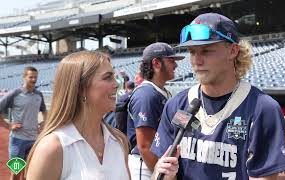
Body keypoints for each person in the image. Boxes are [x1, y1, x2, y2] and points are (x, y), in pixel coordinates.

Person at [151, 13, 285, 180]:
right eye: (192, 52)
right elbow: (160, 172)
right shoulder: (177, 105)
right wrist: (163, 174)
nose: (197, 61)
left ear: (233, 51)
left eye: (206, 51)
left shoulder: (262, 108)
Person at [26, 51, 130, 180]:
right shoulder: (52, 148)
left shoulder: (120, 141)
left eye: (114, 77)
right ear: (81, 88)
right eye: (108, 77)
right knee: (15, 168)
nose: (116, 84)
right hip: (20, 139)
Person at [127, 42, 184, 179]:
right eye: (171, 61)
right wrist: (161, 175)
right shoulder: (146, 95)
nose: (176, 65)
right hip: (146, 166)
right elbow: (145, 146)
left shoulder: (163, 92)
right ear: (156, 63)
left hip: (161, 162)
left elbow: (178, 123)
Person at [0, 66, 47, 180]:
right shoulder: (15, 93)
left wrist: (44, 122)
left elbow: (44, 111)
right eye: (31, 77)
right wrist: (8, 125)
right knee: (16, 173)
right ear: (24, 77)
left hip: (33, 141)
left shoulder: (38, 95)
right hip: (18, 142)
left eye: (35, 77)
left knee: (29, 174)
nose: (33, 79)